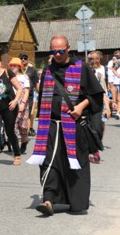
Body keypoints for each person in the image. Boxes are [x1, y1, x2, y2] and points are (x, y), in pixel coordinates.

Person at [27, 35, 104, 216]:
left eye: (61, 51)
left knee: (74, 163)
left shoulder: (81, 68)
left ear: (68, 49)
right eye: (54, 51)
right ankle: (48, 199)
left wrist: (80, 107)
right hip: (51, 125)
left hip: (73, 125)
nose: (58, 54)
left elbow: (96, 95)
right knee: (49, 161)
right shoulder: (48, 70)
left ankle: (75, 201)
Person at [87, 51, 111, 163]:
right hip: (85, 105)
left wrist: (108, 107)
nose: (91, 60)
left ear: (98, 59)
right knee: (86, 128)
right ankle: (90, 152)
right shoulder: (84, 71)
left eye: (93, 58)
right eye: (89, 58)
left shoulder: (100, 74)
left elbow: (103, 92)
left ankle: (95, 148)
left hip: (98, 105)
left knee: (98, 128)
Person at [9, 57, 31, 154]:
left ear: (19, 67)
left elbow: (26, 91)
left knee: (23, 126)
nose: (13, 67)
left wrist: (23, 103)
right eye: (11, 65)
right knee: (12, 126)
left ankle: (24, 141)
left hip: (22, 103)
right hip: (12, 103)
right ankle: (15, 146)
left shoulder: (24, 77)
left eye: (15, 65)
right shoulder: (9, 77)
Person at [19, 53, 39, 136]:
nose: (23, 59)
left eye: (25, 57)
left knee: (30, 112)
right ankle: (22, 128)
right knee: (20, 112)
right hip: (19, 94)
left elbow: (36, 82)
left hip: (30, 94)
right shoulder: (17, 69)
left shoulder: (32, 70)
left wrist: (39, 93)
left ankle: (29, 128)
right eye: (21, 58)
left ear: (27, 59)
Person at [108, 50, 120, 119]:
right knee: (115, 99)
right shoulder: (110, 62)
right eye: (115, 55)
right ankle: (117, 112)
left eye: (117, 55)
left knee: (119, 98)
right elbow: (110, 73)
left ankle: (119, 112)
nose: (116, 56)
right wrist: (110, 83)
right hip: (113, 82)